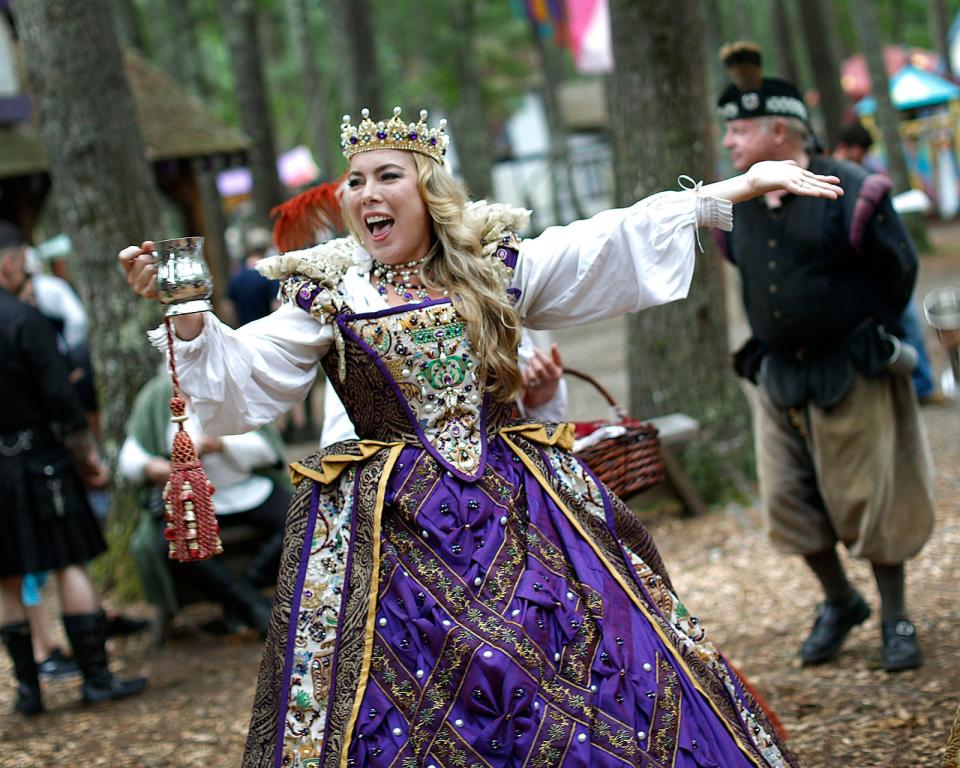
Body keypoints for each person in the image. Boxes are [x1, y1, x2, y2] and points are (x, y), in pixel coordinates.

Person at [120, 106, 840, 768]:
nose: (367, 193)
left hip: (521, 506)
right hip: (390, 531)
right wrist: (186, 311)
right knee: (409, 689)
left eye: (387, 177)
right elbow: (243, 374)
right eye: (356, 181)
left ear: (426, 191)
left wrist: (739, 186)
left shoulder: (491, 268)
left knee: (579, 656)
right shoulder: (331, 292)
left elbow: (601, 240)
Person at [716, 43, 934, 674]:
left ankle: (896, 615)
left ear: (778, 130)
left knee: (872, 498)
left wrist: (861, 329)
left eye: (739, 129)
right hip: (779, 374)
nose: (728, 142)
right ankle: (841, 602)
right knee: (789, 501)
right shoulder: (737, 203)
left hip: (851, 368)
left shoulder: (857, 190)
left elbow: (899, 271)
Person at [0, 222, 147, 715]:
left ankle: (28, 692)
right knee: (68, 562)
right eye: (21, 257)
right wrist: (86, 458)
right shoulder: (23, 318)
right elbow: (61, 397)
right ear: (9, 261)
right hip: (42, 458)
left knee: (6, 577)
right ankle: (97, 681)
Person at [119, 371, 289, 637]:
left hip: (247, 490)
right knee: (167, 541)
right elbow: (131, 457)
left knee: (301, 516)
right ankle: (249, 603)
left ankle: (245, 592)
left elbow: (267, 449)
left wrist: (220, 445)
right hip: (189, 499)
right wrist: (151, 467)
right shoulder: (156, 396)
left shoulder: (233, 385)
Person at [832, 121, 942, 404]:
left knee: (907, 324)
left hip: (879, 268)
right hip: (857, 275)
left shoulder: (863, 175)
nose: (862, 157)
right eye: (861, 151)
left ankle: (920, 386)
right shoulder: (831, 176)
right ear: (849, 148)